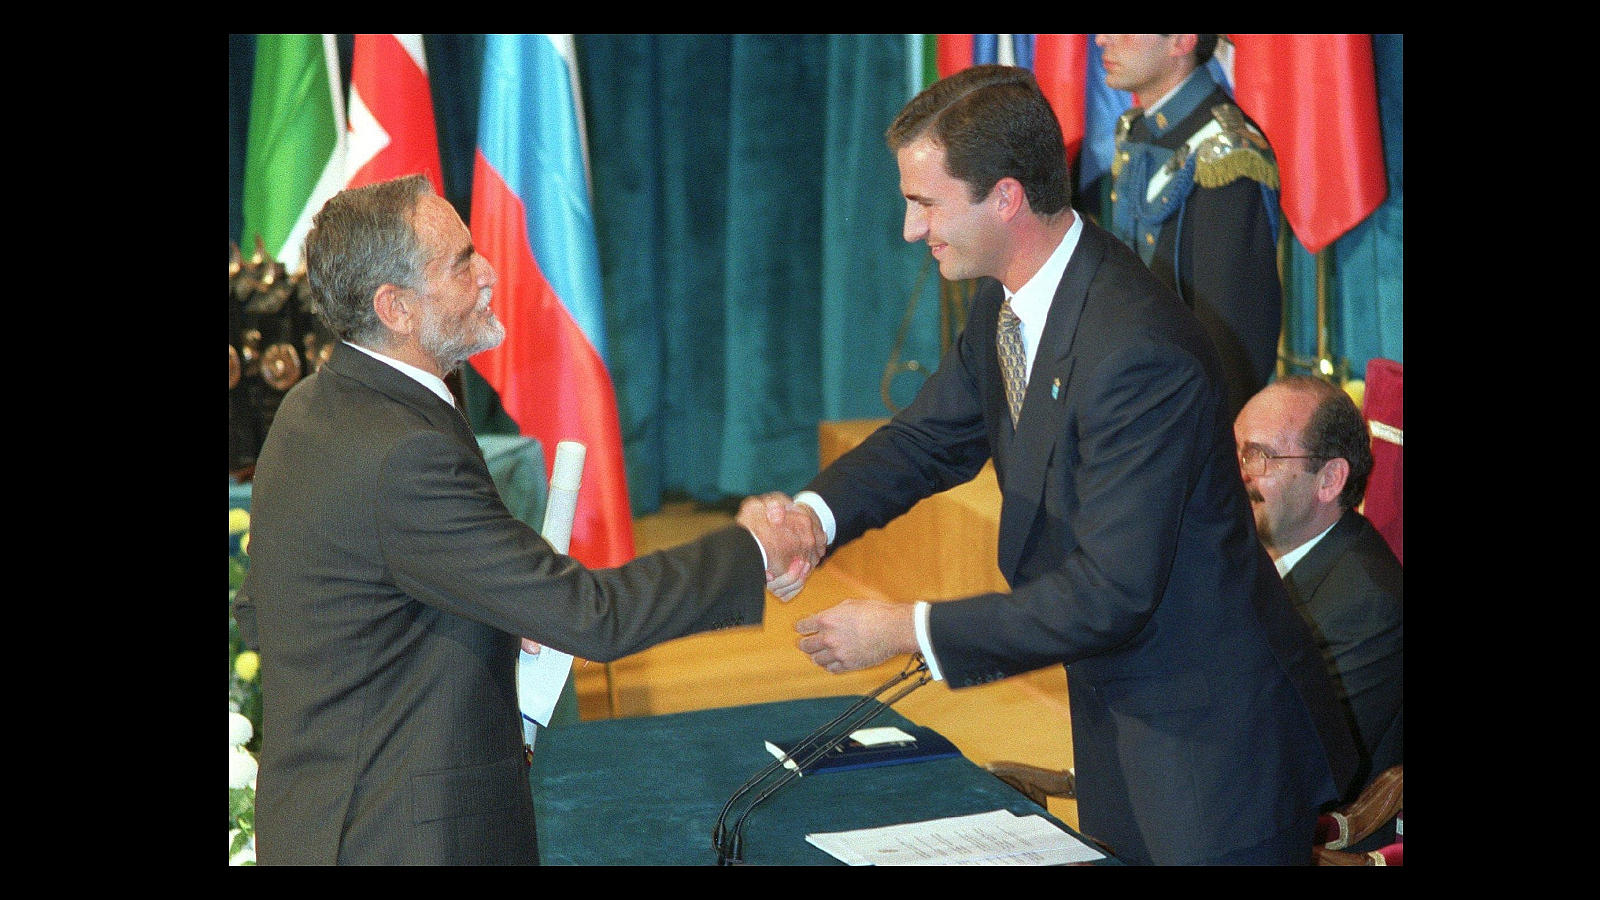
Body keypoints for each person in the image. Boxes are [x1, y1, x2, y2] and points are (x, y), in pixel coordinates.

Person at [788, 65, 1356, 865]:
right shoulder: (1008, 297)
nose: (911, 229)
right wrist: (811, 519)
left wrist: (903, 628)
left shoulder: (1139, 351)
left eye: (925, 203)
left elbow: (1111, 594)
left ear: (1007, 198)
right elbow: (928, 439)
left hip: (1210, 746)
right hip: (1120, 710)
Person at [231, 174, 824, 866]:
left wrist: (486, 607)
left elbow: (271, 609)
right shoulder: (405, 451)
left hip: (318, 822)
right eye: (460, 262)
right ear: (394, 306)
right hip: (406, 838)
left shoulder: (310, 409)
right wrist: (752, 548)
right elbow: (591, 616)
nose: (488, 273)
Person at [1234, 375, 1403, 800]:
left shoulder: (1369, 604)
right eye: (1232, 454)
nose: (1237, 476)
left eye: (1258, 458)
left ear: (1328, 480)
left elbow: (1297, 759)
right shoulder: (1242, 553)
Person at [1098, 33, 1282, 420]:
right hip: (1134, 397)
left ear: (1181, 41)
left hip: (1186, 417)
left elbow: (1233, 338)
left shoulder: (1224, 149)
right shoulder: (1136, 130)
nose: (1102, 40)